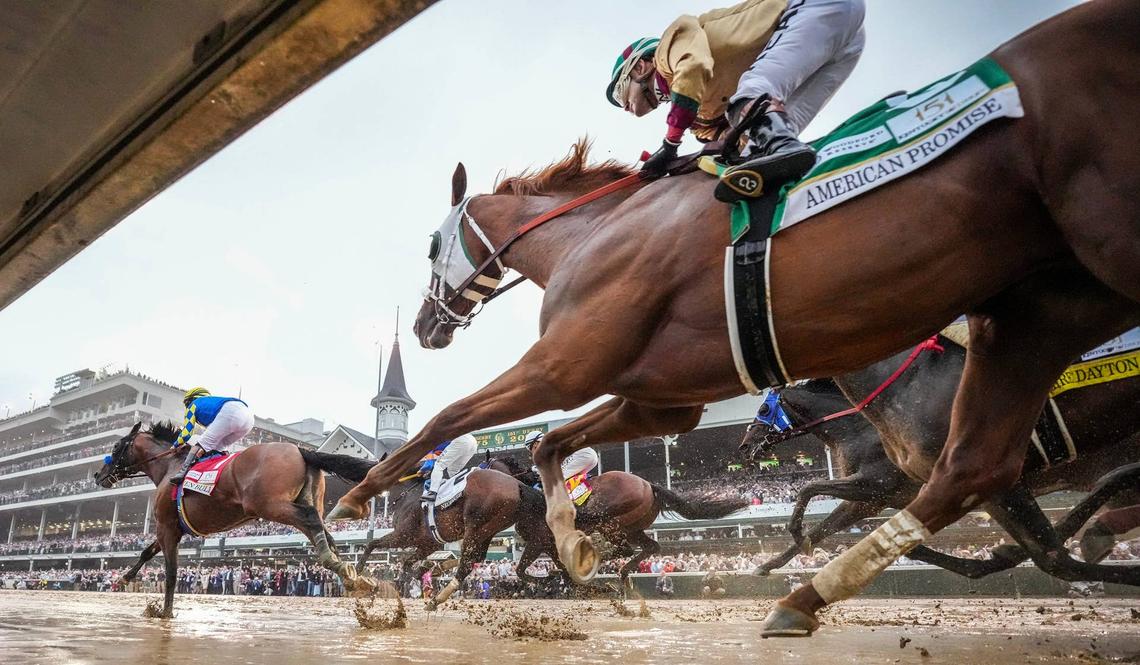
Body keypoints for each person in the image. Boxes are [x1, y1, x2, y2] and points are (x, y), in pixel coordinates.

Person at [606, 0, 865, 199]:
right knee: (759, 151)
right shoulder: (699, 116)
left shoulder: (669, 47)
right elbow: (729, 143)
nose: (625, 108)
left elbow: (694, 66)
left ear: (640, 67)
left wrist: (670, 144)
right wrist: (685, 162)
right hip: (848, 41)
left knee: (749, 95)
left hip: (816, 7)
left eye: (621, 94)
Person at [170, 387, 254, 485]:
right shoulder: (211, 405)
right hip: (249, 419)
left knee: (200, 444)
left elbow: (186, 433)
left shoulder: (193, 405)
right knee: (220, 448)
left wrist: (175, 445)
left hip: (230, 412)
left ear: (190, 400)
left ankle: (181, 473)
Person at [420, 433, 478, 502]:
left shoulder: (431, 446)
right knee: (453, 471)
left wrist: (422, 470)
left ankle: (432, 492)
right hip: (473, 442)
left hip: (460, 440)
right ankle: (455, 493)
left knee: (439, 465)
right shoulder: (437, 440)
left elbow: (429, 464)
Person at [523, 431, 599, 482]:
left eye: (532, 449)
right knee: (571, 479)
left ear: (535, 444)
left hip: (582, 455)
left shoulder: (545, 446)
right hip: (589, 456)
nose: (533, 452)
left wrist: (534, 469)